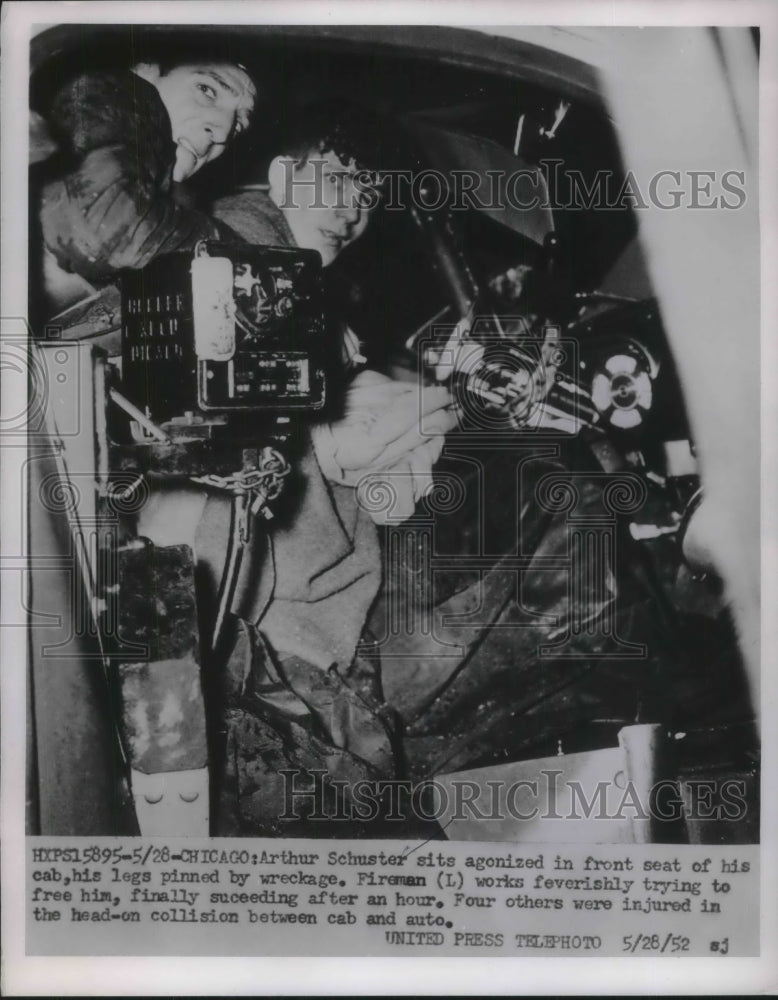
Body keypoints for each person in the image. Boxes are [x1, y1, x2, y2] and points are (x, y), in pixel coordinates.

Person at [136, 103, 457, 835]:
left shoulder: (298, 276)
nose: (355, 212)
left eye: (370, 198)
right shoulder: (243, 251)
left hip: (267, 600)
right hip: (256, 614)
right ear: (284, 175)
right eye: (341, 182)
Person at [32, 56, 257, 314]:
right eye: (207, 90)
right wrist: (229, 249)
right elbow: (102, 236)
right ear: (145, 70)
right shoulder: (104, 92)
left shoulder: (167, 196)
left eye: (238, 124)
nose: (223, 131)